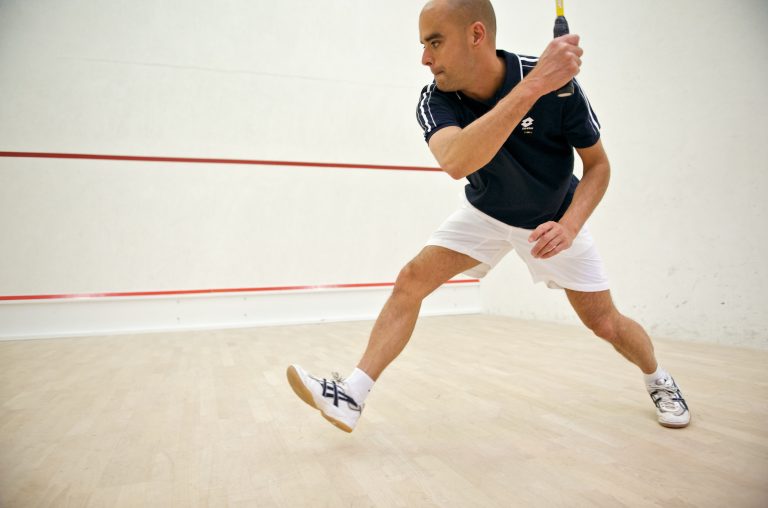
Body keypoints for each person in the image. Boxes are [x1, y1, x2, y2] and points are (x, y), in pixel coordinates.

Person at [286, 0, 690, 432]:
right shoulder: (439, 99)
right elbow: (456, 160)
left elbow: (598, 166)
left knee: (606, 324)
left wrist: (570, 226)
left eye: (434, 43)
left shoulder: (560, 88)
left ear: (476, 35)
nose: (425, 59)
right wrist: (533, 87)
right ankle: (352, 394)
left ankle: (658, 379)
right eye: (423, 45)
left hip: (552, 222)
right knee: (411, 280)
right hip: (486, 214)